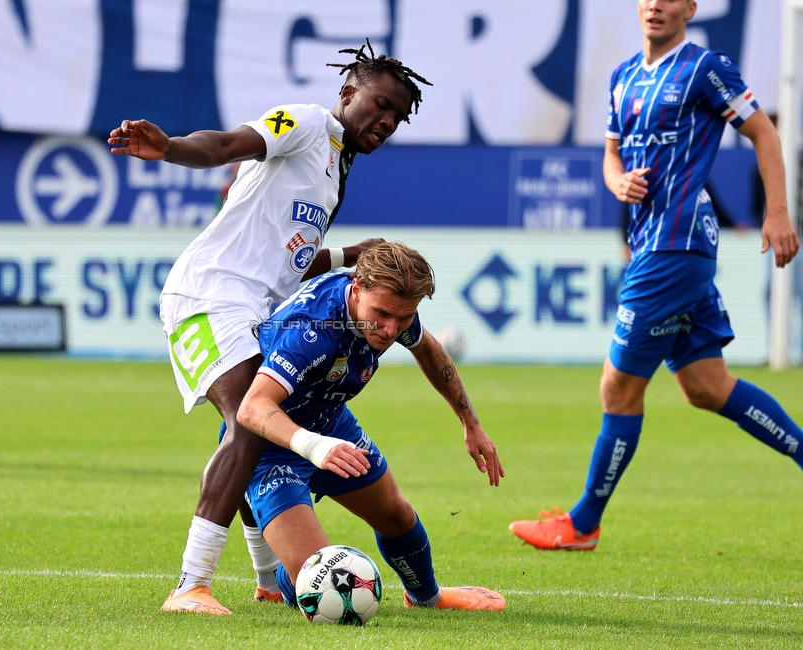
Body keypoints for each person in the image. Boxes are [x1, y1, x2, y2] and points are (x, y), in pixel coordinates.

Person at [107, 41, 432, 613]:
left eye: (397, 116)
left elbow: (293, 263)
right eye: (380, 104)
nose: (386, 120)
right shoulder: (305, 123)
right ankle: (190, 585)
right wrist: (172, 148)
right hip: (209, 293)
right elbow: (227, 144)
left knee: (256, 425)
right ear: (348, 92)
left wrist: (347, 254)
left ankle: (265, 581)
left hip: (258, 309)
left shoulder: (336, 171)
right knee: (250, 421)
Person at [509, 0, 802, 551]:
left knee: (617, 386)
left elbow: (764, 133)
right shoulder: (623, 76)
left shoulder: (705, 68)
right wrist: (617, 182)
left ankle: (583, 523)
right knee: (706, 386)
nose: (656, 5)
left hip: (676, 244)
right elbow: (611, 155)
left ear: (690, 8)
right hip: (657, 244)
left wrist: (779, 212)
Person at [235, 242, 506, 611]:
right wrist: (316, 446)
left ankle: (427, 598)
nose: (391, 329)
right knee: (320, 578)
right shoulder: (312, 330)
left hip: (331, 424)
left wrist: (470, 423)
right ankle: (278, 582)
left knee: (397, 516)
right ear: (357, 286)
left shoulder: (391, 309)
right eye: (382, 314)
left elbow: (427, 348)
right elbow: (252, 407)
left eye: (404, 317)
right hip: (269, 444)